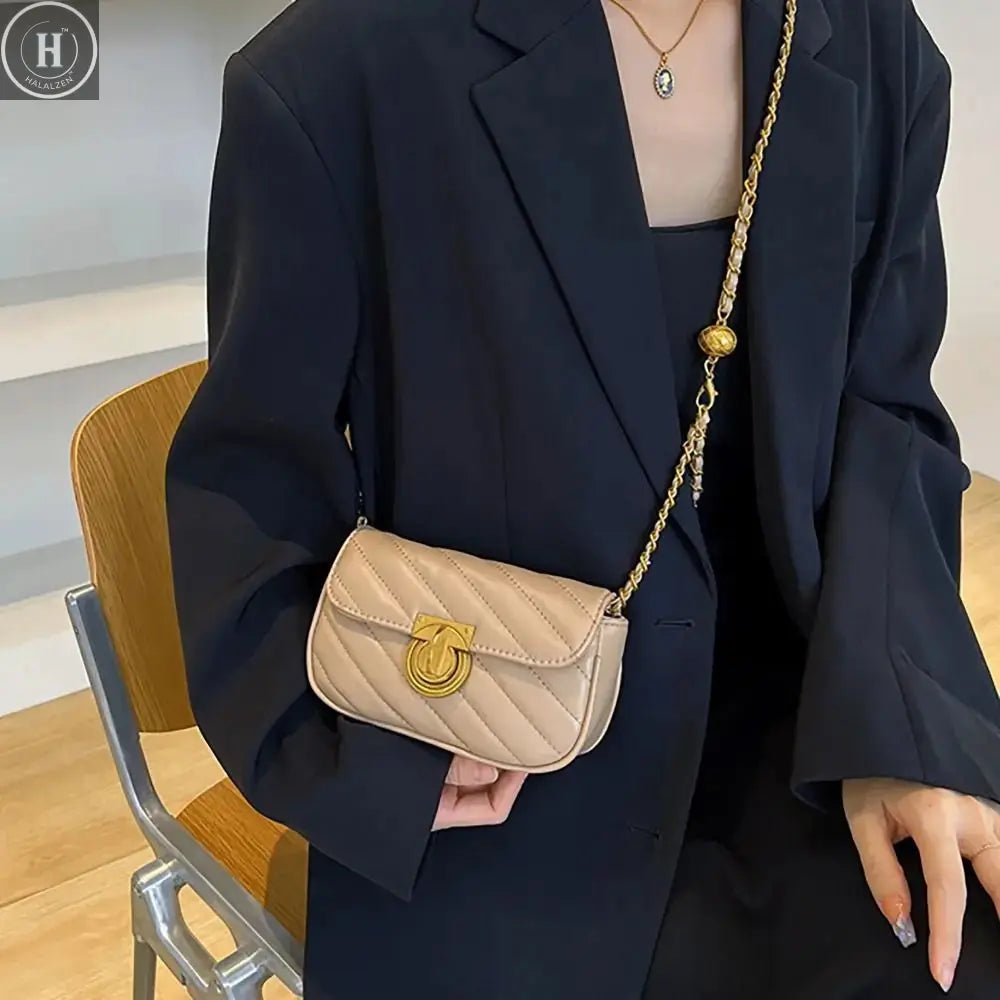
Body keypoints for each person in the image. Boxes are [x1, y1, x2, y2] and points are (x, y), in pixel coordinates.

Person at [164, 0, 1000, 996]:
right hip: (490, 747)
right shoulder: (338, 68)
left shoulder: (872, 41)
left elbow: (886, 416)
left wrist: (906, 724)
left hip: (815, 727)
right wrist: (370, 769)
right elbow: (247, 491)